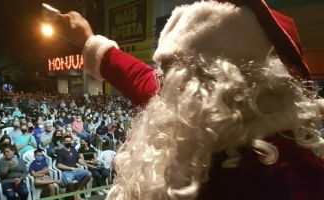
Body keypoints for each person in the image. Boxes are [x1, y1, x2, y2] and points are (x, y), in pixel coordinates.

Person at [58, 1, 324, 199]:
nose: (161, 89)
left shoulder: (296, 180)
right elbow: (143, 82)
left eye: (170, 79)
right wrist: (89, 41)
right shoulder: (200, 113)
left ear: (200, 89)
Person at [56, 136, 92, 200]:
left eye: (69, 141)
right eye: (66, 141)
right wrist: (71, 168)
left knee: (89, 174)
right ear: (63, 142)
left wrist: (88, 165)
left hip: (76, 170)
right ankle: (75, 197)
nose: (68, 142)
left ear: (72, 142)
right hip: (66, 172)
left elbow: (79, 161)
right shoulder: (60, 152)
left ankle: (78, 192)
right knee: (70, 182)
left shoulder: (74, 150)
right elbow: (59, 165)